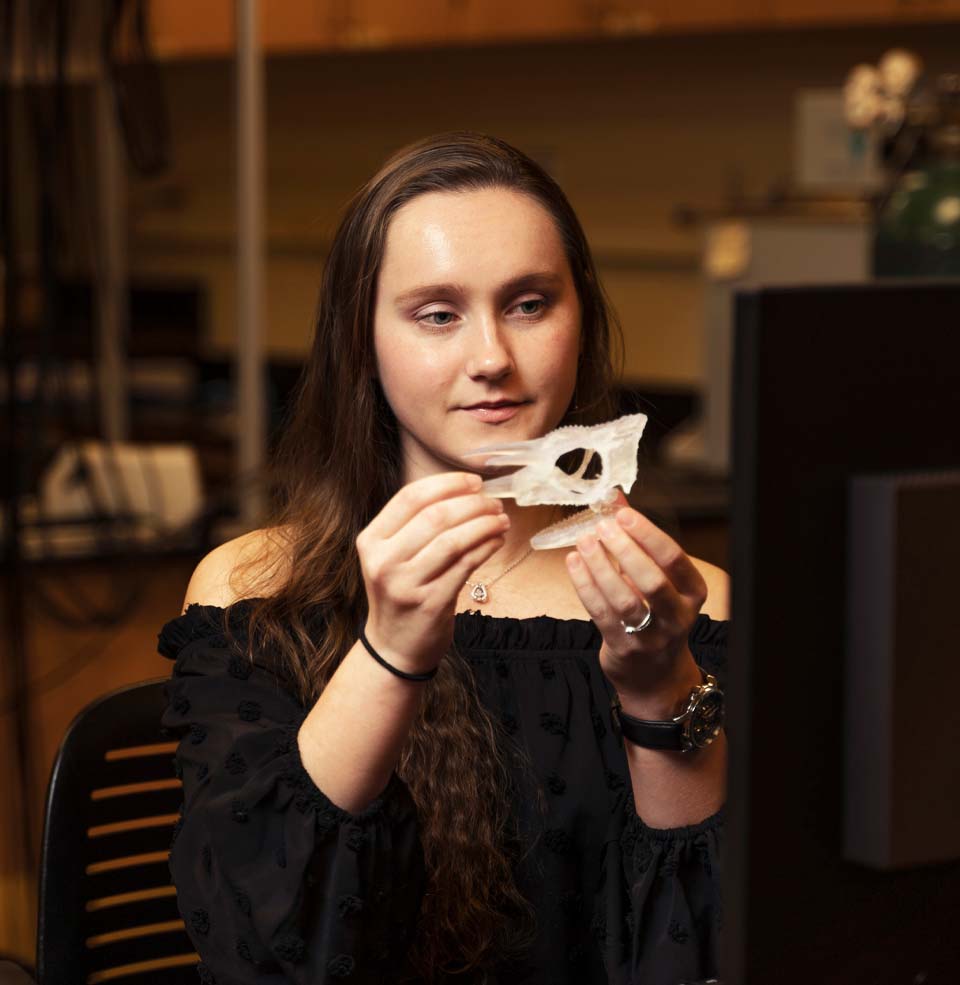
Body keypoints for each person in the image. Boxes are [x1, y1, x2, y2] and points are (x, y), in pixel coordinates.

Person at [158, 131, 729, 985]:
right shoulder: (251, 592)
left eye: (530, 303)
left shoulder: (686, 602)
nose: (492, 357)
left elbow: (711, 945)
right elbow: (261, 950)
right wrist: (391, 650)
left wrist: (658, 689)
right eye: (437, 314)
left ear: (581, 319)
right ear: (365, 339)